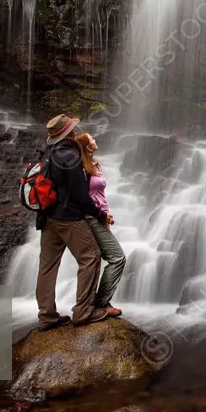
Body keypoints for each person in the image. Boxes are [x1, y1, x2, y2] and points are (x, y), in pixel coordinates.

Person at [34, 113, 110, 330]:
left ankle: (46, 316)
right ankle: (83, 311)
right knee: (91, 256)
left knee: (47, 267)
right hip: (68, 218)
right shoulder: (71, 156)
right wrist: (99, 214)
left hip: (47, 217)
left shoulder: (48, 153)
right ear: (70, 132)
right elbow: (80, 195)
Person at [74, 132, 126, 317]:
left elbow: (98, 195)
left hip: (99, 216)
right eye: (92, 139)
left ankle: (96, 302)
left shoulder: (93, 165)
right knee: (117, 258)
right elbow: (83, 198)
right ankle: (101, 303)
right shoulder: (80, 168)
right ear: (87, 146)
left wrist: (106, 214)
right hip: (91, 218)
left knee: (100, 259)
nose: (95, 140)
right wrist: (99, 215)